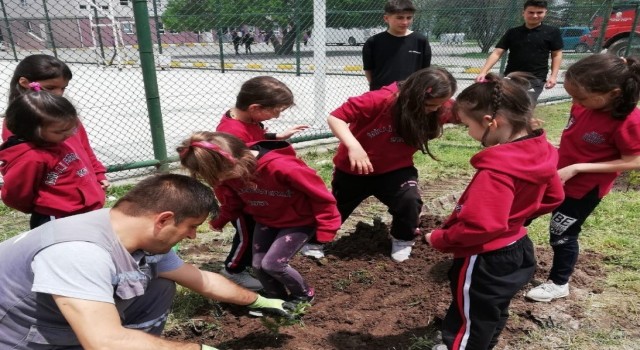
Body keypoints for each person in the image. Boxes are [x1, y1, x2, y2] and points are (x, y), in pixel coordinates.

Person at [0, 173, 292, 349]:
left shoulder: (124, 231)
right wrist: (195, 348)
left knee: (161, 284)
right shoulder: (80, 251)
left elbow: (200, 279)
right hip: (16, 338)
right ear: (164, 219)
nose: (191, 236)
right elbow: (104, 344)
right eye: (192, 226)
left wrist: (259, 301)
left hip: (56, 323)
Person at [425, 72, 564, 350]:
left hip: (484, 258)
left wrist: (440, 239)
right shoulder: (543, 151)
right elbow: (554, 195)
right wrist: (516, 218)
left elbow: (481, 227)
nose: (469, 133)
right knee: (493, 309)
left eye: (467, 125)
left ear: (490, 122)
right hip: (518, 247)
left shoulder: (496, 172)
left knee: (471, 317)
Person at [525, 54, 640, 302]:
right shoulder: (584, 104)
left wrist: (577, 167)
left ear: (614, 93)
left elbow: (635, 160)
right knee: (523, 211)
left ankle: (558, 283)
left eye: (581, 97)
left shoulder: (628, 121)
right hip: (556, 174)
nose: (575, 102)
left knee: (561, 232)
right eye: (572, 96)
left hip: (584, 188)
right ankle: (507, 255)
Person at [178, 132, 341, 307]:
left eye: (221, 175)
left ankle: (304, 295)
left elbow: (321, 197)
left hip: (298, 222)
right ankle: (277, 299)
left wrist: (327, 228)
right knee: (258, 265)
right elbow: (233, 202)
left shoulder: (283, 167)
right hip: (265, 221)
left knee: (273, 265)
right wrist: (221, 220)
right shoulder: (228, 176)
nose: (220, 181)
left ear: (234, 159)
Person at [327, 67, 457, 263]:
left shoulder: (439, 105)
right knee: (336, 210)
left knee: (409, 201)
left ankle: (403, 239)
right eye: (431, 105)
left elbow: (468, 112)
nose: (437, 110)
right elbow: (336, 117)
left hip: (395, 169)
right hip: (356, 168)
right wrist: (354, 146)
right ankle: (315, 241)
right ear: (415, 96)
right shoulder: (379, 100)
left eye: (440, 105)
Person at [215, 76, 310, 289]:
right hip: (236, 193)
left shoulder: (249, 120)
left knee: (255, 227)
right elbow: (235, 165)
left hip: (252, 190)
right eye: (276, 111)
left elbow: (256, 137)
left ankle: (248, 263)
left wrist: (276, 136)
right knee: (246, 234)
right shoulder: (231, 132)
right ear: (255, 107)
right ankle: (233, 269)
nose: (277, 115)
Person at [1, 54, 109, 220]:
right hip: (58, 214)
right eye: (51, 88)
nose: (59, 94)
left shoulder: (66, 117)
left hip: (87, 204)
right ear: (24, 83)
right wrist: (43, 205)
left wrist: (98, 174)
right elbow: (20, 185)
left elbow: (85, 149)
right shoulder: (19, 127)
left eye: (63, 88)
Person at [475, 0, 563, 103]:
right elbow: (497, 52)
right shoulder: (512, 32)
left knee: (525, 106)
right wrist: (483, 72)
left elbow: (556, 54)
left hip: (536, 78)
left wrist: (553, 76)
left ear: (545, 13)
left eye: (539, 12)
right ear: (523, 13)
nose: (535, 15)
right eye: (531, 12)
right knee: (503, 104)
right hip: (511, 77)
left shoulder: (552, 32)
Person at [362, 0, 431, 91]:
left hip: (411, 94)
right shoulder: (373, 42)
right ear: (386, 18)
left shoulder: (420, 41)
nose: (405, 22)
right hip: (381, 95)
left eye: (409, 17)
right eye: (400, 18)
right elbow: (368, 69)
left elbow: (425, 71)